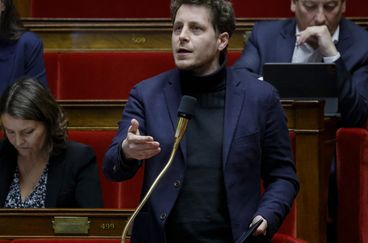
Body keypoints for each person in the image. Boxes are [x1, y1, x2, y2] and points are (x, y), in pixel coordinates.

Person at [103, 0, 299, 242]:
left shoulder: (260, 98)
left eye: (196, 28)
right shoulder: (147, 94)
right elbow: (112, 168)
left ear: (222, 40)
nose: (182, 37)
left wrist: (267, 215)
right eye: (177, 28)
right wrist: (126, 151)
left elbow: (283, 176)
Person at [233, 0, 368, 128]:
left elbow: (356, 117)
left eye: (330, 6)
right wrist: (274, 82)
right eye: (310, 6)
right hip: (269, 137)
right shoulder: (264, 36)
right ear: (293, 3)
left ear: (343, 5)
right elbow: (238, 83)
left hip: (329, 144)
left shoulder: (363, 45)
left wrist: (332, 55)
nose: (320, 18)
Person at [0, 78, 103, 208]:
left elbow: (92, 222)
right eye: (10, 132)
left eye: (28, 132)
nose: (18, 142)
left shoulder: (78, 159)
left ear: (48, 123)